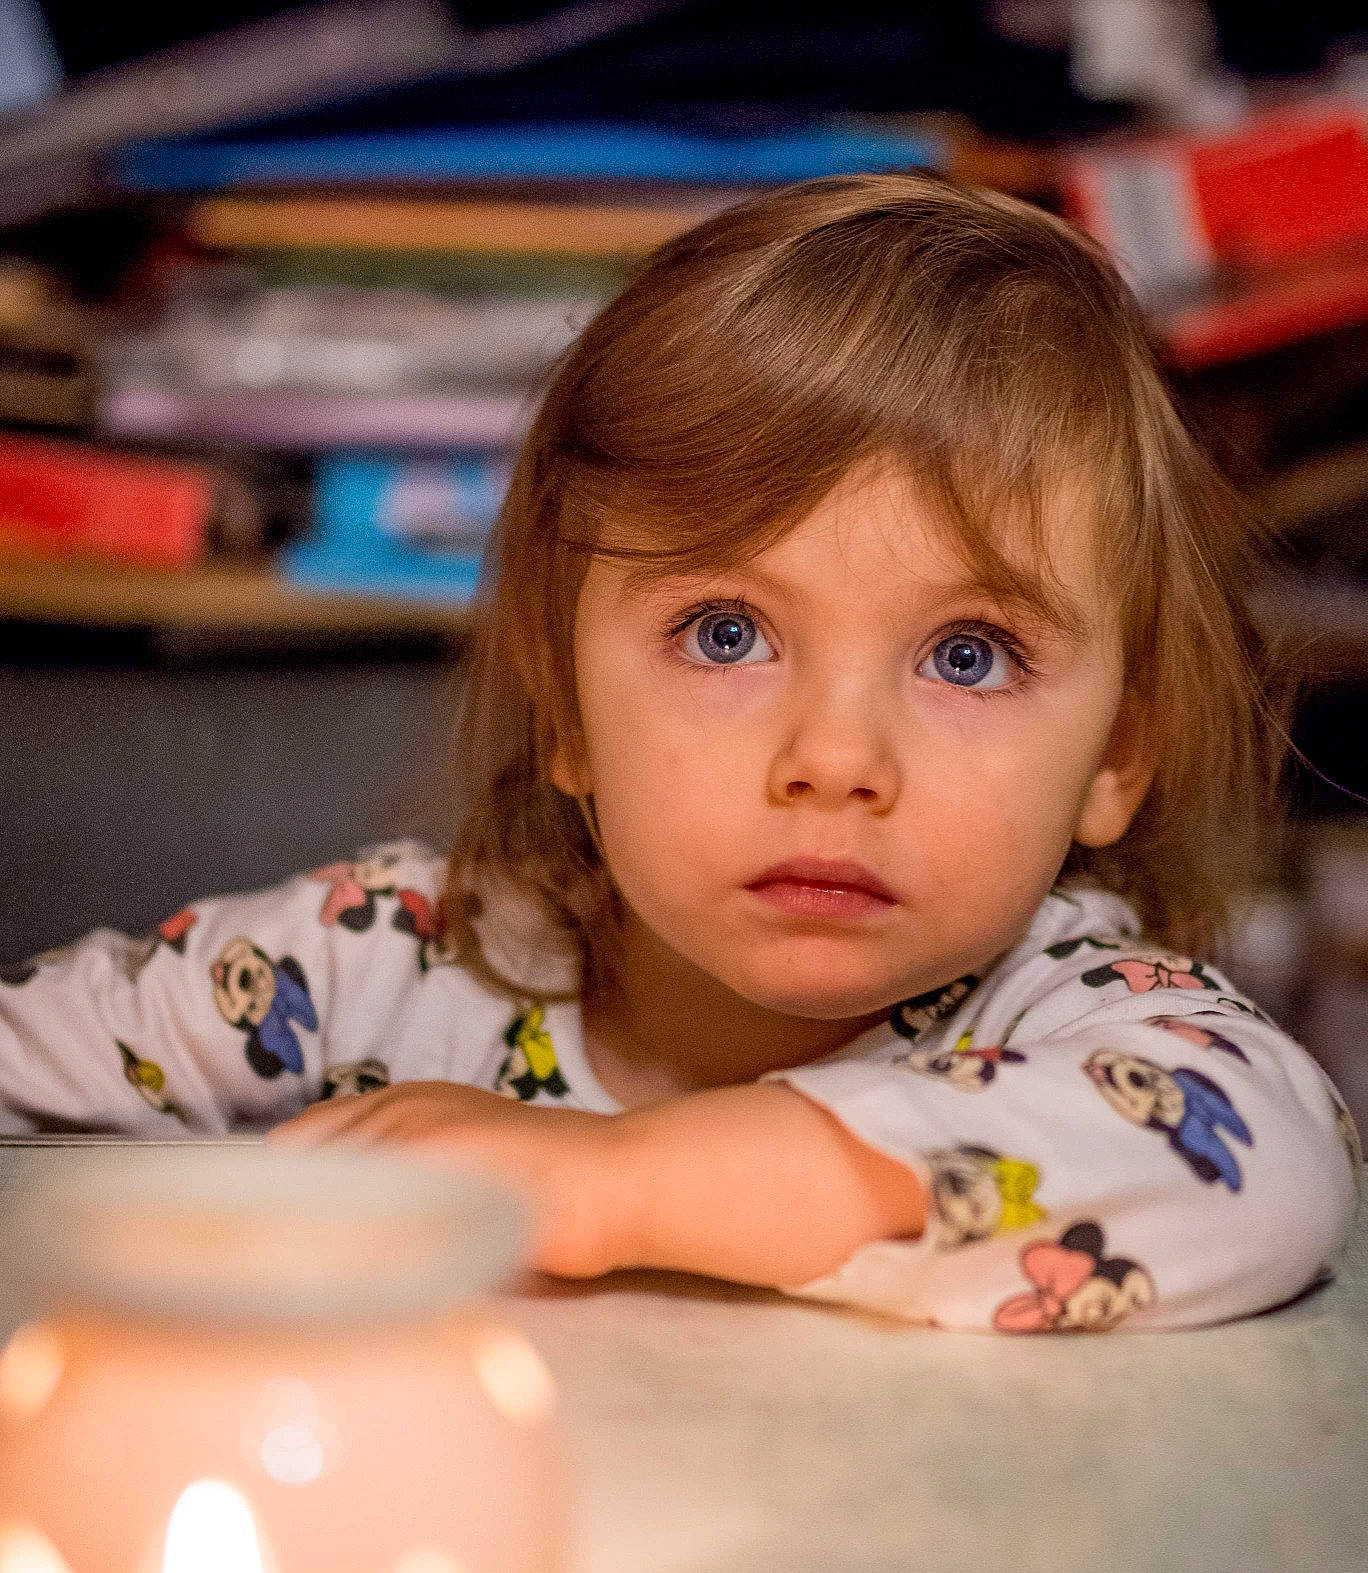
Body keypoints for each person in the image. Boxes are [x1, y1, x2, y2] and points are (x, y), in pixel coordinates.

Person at [0, 174, 1357, 1332]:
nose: (835, 759)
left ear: (1116, 757)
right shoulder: (384, 957)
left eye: (968, 656)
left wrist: (621, 1181)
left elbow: (1276, 1170)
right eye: (725, 634)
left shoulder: (1084, 1017)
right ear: (572, 711)